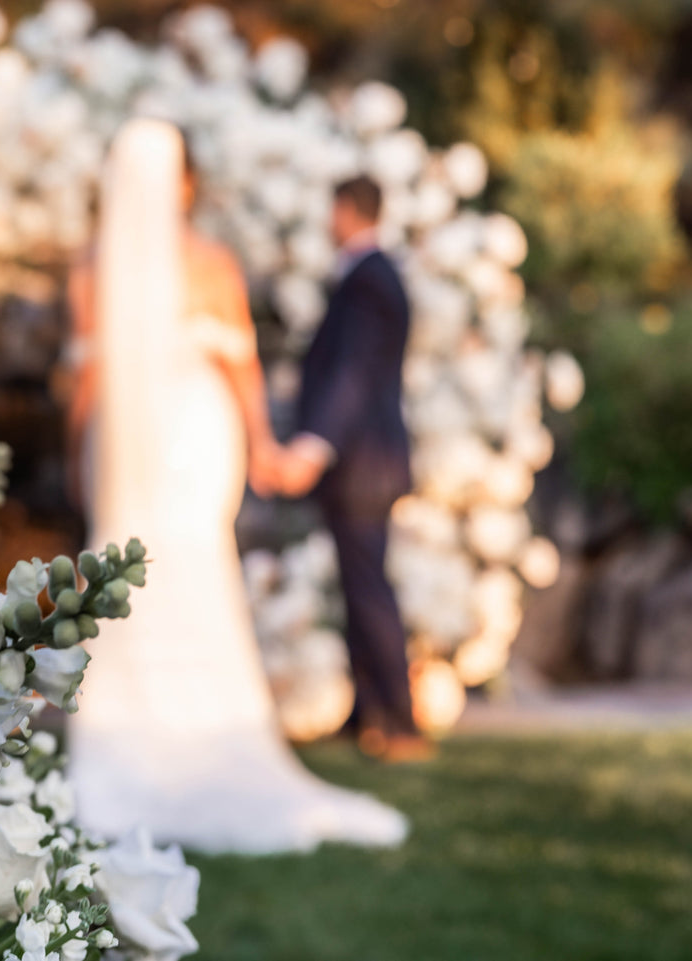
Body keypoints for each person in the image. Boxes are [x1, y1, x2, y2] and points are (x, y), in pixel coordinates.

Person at [63, 118, 408, 853]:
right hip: (195, 429)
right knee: (188, 561)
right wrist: (259, 442)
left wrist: (77, 449)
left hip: (132, 437)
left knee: (137, 561)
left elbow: (86, 383)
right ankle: (200, 725)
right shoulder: (210, 262)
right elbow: (241, 367)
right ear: (186, 183)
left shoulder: (92, 269)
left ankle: (134, 733)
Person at [272, 175, 435, 764]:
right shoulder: (369, 276)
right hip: (364, 464)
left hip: (363, 463)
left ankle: (401, 720)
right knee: (357, 585)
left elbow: (352, 375)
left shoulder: (369, 281)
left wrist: (313, 445)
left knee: (369, 589)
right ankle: (370, 713)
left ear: (345, 210)